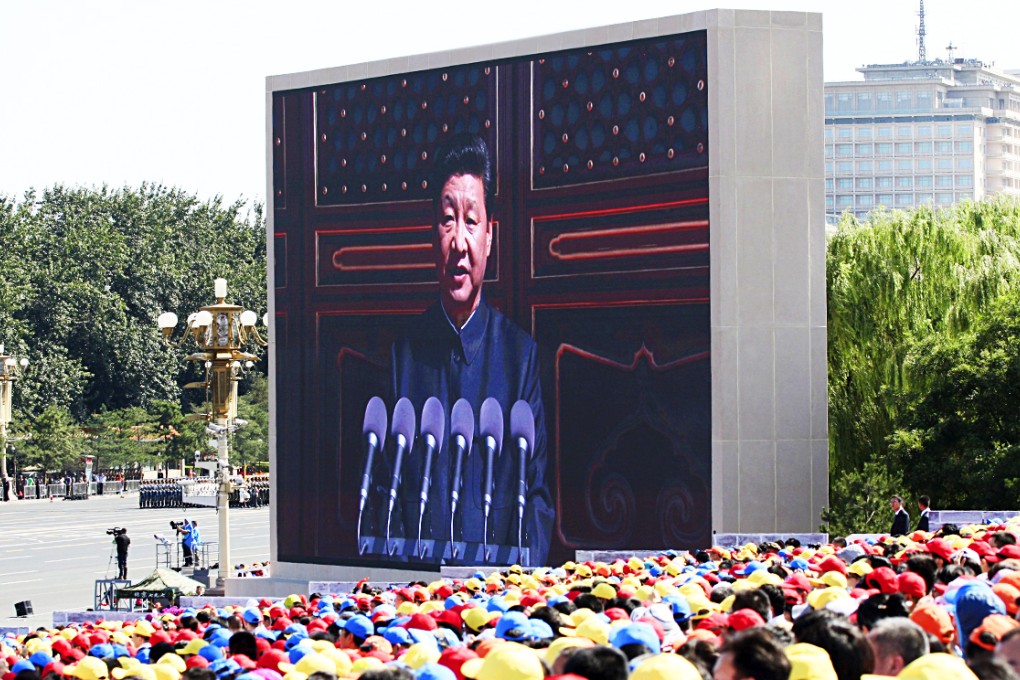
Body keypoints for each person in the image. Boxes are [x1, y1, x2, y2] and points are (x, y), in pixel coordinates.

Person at [387, 133, 554, 566]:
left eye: (471, 222)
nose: (459, 242)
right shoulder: (401, 357)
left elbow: (535, 497)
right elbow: (387, 495)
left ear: (489, 238)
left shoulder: (520, 356)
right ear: (431, 234)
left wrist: (517, 589)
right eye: (447, 220)